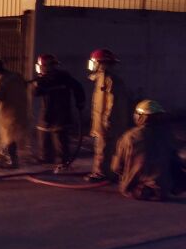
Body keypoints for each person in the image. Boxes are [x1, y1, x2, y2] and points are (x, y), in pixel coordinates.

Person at [112, 100, 184, 201]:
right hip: (162, 189)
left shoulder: (129, 137)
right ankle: (158, 187)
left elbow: (116, 167)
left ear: (140, 117)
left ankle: (141, 187)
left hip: (133, 188)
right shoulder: (167, 135)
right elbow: (177, 161)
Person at [32, 53, 85, 171]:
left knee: (60, 140)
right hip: (47, 114)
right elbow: (36, 93)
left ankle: (63, 163)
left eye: (42, 66)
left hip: (61, 115)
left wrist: (80, 103)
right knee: (44, 138)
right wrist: (37, 84)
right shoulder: (43, 79)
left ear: (47, 66)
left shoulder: (64, 77)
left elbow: (78, 88)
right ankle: (46, 161)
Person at [85, 48, 132, 183]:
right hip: (105, 122)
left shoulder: (108, 80)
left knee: (104, 149)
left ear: (101, 63)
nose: (93, 65)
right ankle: (110, 172)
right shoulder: (103, 78)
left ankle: (101, 173)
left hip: (108, 123)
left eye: (95, 62)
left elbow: (112, 103)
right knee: (107, 148)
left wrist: (107, 121)